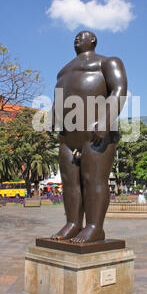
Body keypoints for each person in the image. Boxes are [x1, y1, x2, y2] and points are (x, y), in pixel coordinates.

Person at [50, 30, 127, 243]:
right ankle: (73, 223)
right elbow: (57, 97)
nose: (77, 37)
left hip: (96, 134)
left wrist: (105, 120)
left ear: (92, 40)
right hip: (68, 136)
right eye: (75, 35)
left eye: (83, 35)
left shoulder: (109, 62)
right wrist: (53, 116)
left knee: (93, 180)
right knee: (69, 181)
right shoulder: (63, 71)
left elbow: (119, 90)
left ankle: (95, 227)